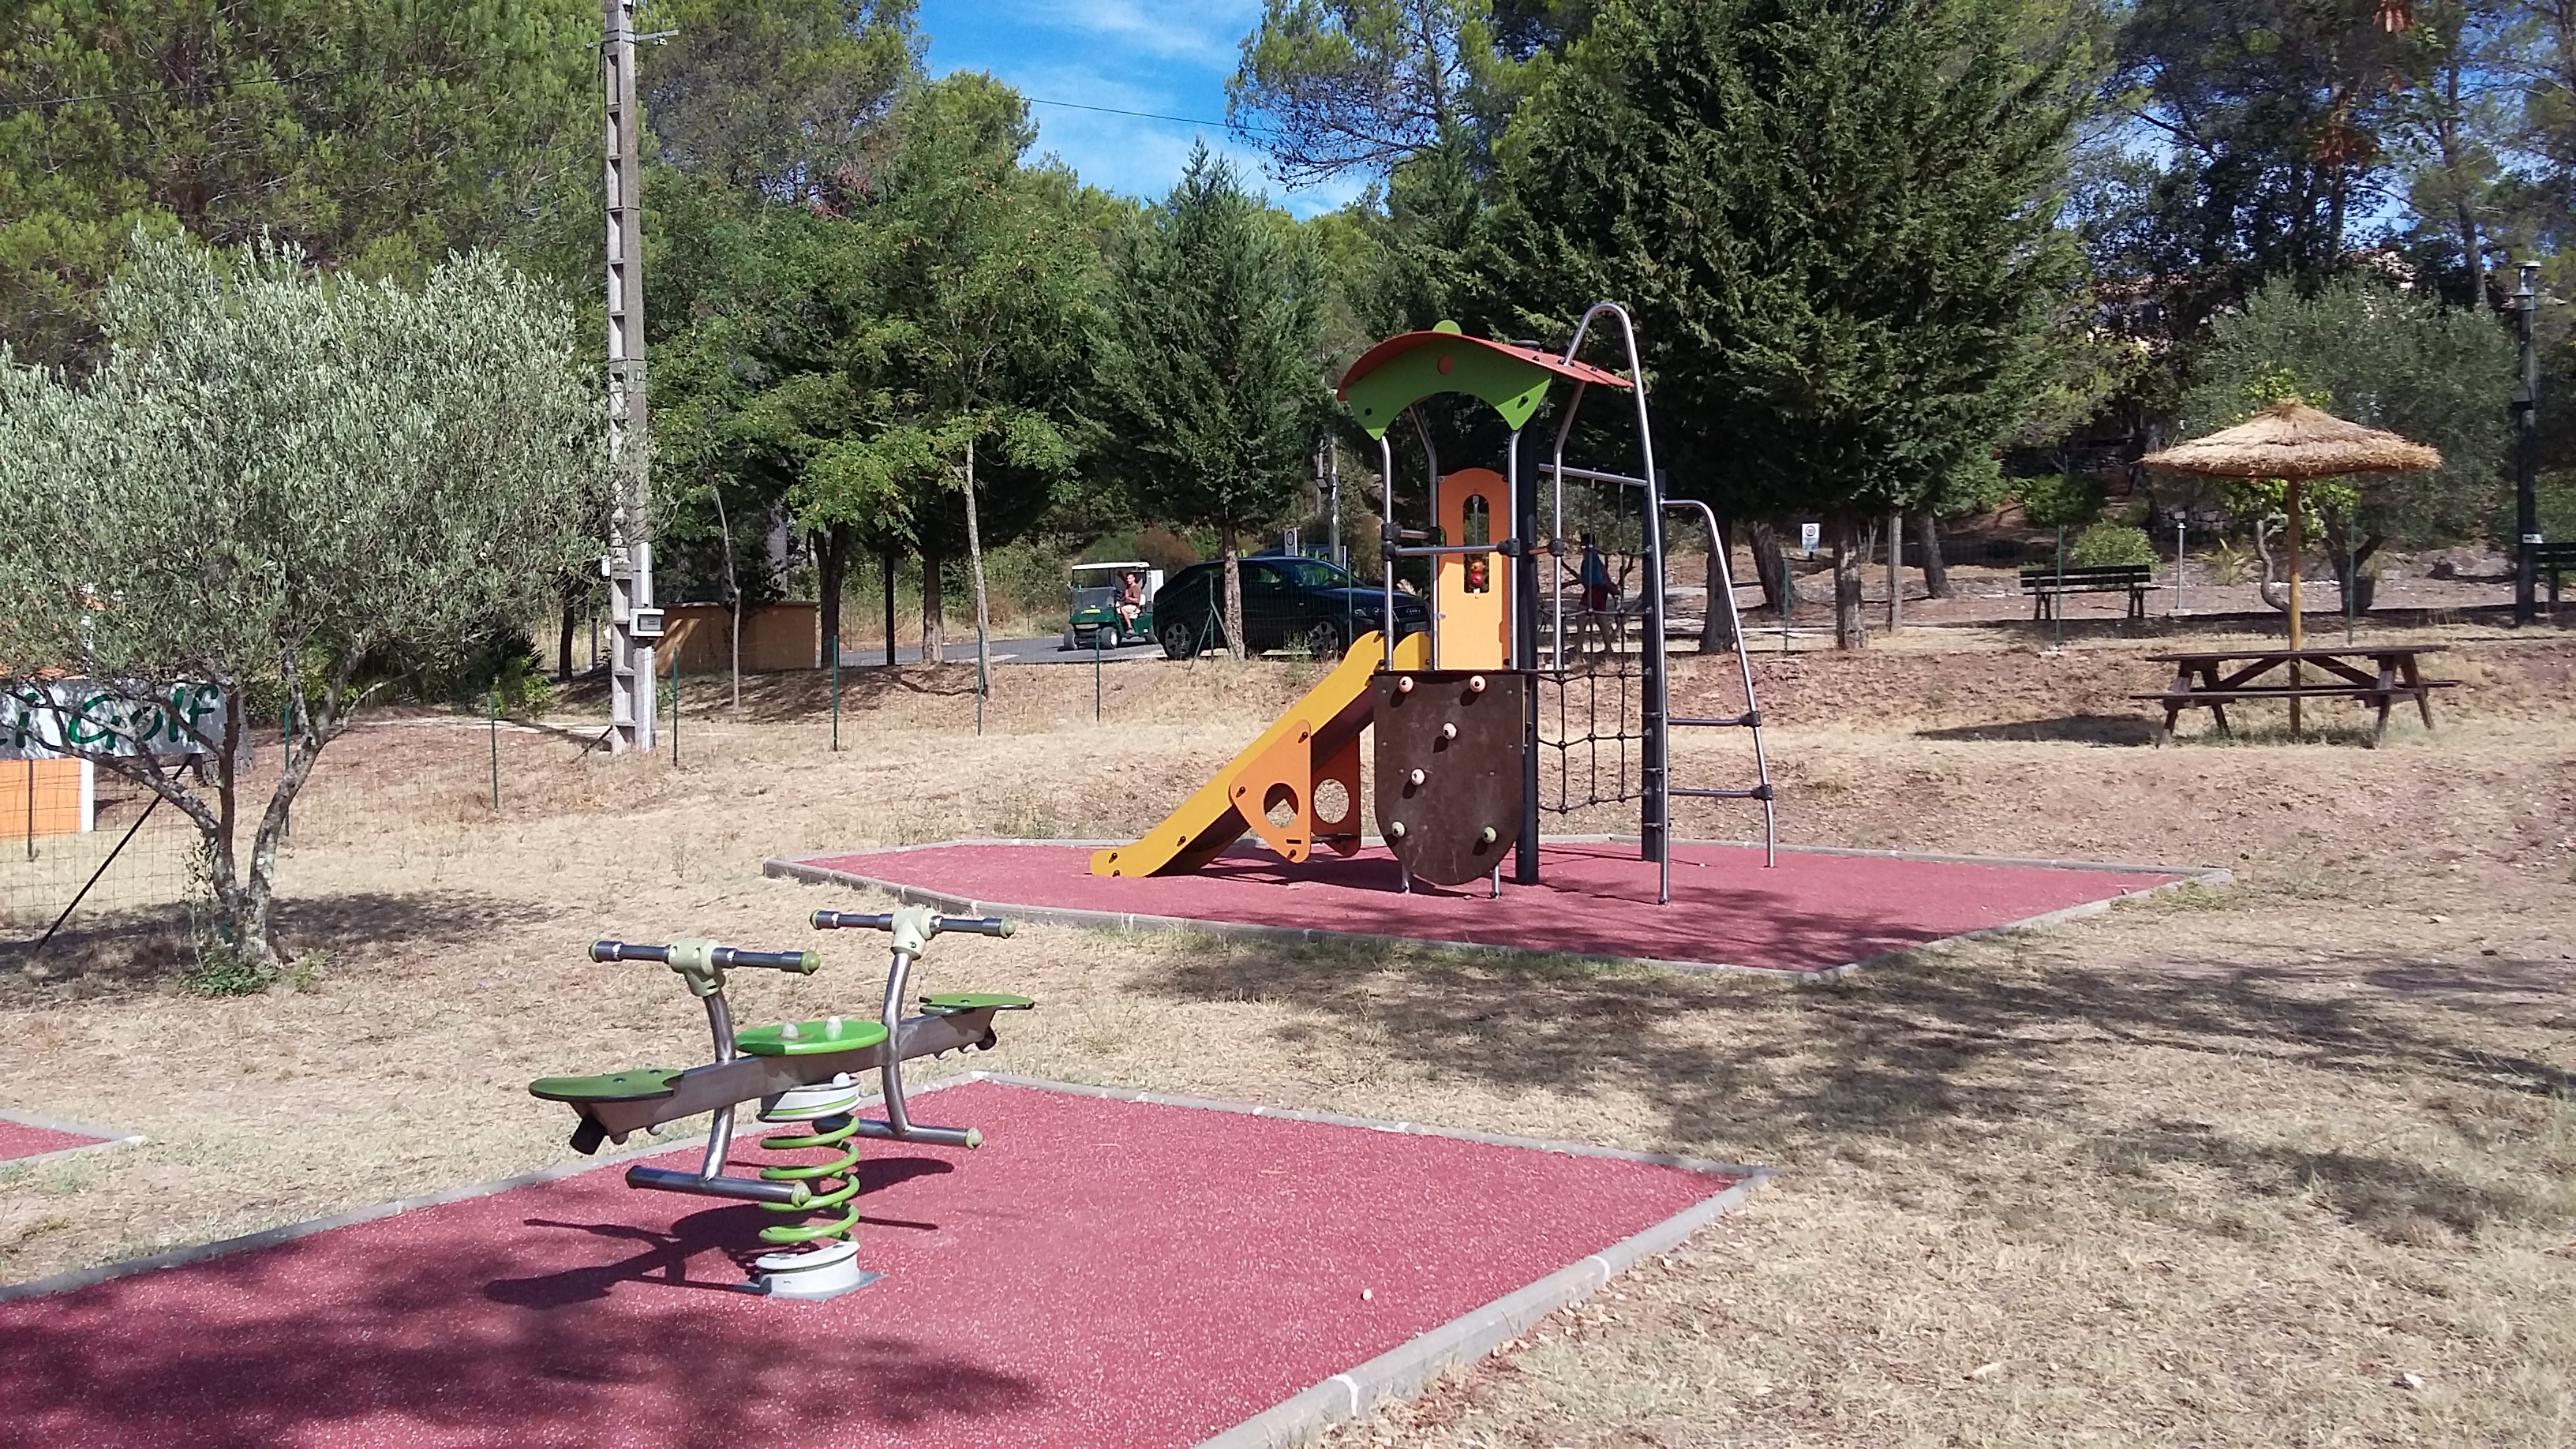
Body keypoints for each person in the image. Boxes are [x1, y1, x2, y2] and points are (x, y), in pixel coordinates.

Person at [1115, 571, 1144, 638]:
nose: (1128, 580)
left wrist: (1128, 598)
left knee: (1122, 609)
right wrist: (1121, 576)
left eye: (1130, 578)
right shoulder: (1129, 586)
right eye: (1127, 578)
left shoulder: (1136, 588)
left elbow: (1137, 601)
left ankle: (1130, 627)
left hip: (1134, 607)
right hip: (1128, 605)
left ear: (1134, 579)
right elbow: (1125, 581)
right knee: (1115, 609)